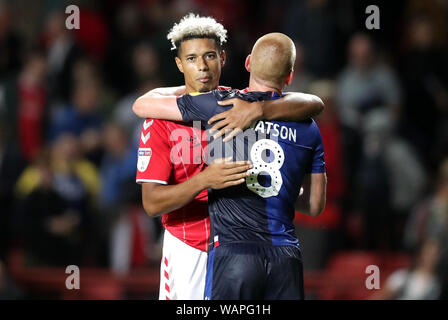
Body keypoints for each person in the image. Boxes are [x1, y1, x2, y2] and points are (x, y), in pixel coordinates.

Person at [133, 14, 324, 300]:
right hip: (190, 248)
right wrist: (203, 181)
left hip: (232, 250)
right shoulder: (160, 120)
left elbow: (310, 102)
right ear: (179, 63)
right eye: (192, 58)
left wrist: (261, 110)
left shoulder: (233, 103)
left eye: (209, 56)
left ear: (224, 58)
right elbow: (151, 203)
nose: (202, 66)